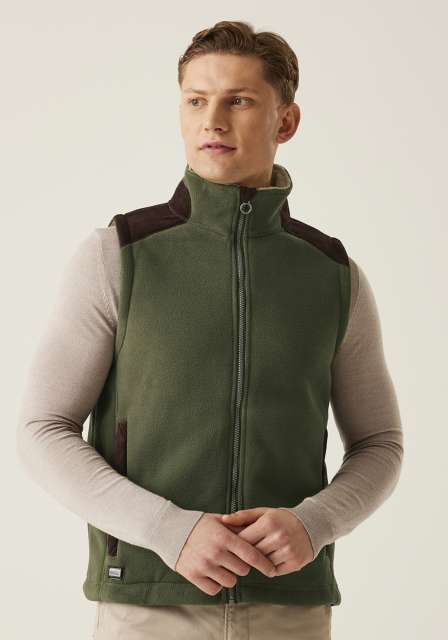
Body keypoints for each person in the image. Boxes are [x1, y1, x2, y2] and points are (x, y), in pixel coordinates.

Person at [16, 19, 403, 640]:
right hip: (149, 602)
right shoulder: (118, 255)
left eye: (238, 101)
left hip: (289, 605)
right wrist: (168, 531)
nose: (212, 121)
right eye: (196, 101)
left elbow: (380, 443)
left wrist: (315, 524)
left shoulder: (333, 274)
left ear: (286, 122)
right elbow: (42, 429)